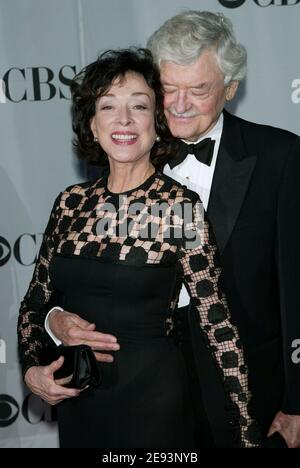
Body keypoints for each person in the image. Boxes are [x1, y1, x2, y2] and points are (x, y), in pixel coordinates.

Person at [18, 48, 258, 448]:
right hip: (81, 405)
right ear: (92, 125)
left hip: (153, 407)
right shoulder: (70, 203)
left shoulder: (178, 209)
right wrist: (31, 371)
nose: (124, 119)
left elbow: (219, 328)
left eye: (139, 106)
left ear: (156, 123)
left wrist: (247, 435)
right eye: (108, 106)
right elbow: (34, 305)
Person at [146, 11, 300, 448]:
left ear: (230, 89)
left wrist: (298, 402)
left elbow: (296, 286)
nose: (178, 103)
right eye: (168, 87)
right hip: (149, 390)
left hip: (248, 387)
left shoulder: (280, 157)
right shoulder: (128, 155)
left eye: (198, 89)